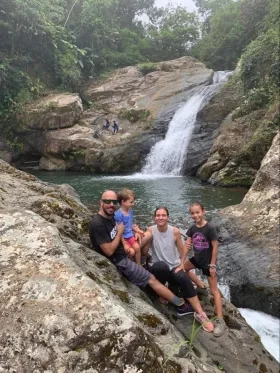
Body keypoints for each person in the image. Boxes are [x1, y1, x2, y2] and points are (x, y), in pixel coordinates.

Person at [88, 190, 190, 311]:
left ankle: (142, 263)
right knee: (151, 279)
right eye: (107, 201)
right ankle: (180, 304)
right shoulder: (98, 224)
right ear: (101, 202)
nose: (111, 204)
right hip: (120, 262)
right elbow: (109, 251)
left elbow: (122, 231)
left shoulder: (111, 216)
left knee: (145, 238)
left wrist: (135, 232)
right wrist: (121, 232)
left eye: (113, 201)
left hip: (124, 252)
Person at [142, 206, 214, 332]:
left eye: (163, 215)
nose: (161, 218)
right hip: (159, 270)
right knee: (161, 266)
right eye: (158, 215)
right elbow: (144, 252)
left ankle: (200, 313)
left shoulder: (174, 231)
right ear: (154, 217)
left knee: (181, 275)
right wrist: (144, 238)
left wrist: (186, 269)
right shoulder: (151, 230)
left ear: (168, 217)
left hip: (173, 268)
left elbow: (182, 251)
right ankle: (162, 293)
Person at [184, 202, 226, 337]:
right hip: (197, 259)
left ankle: (220, 320)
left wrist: (212, 265)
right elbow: (188, 243)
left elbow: (215, 246)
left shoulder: (209, 228)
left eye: (197, 212)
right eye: (192, 213)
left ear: (203, 212)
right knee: (182, 269)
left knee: (214, 291)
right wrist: (186, 247)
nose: (195, 215)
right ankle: (201, 286)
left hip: (208, 263)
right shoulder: (192, 228)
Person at [114, 189, 143, 265]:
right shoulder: (118, 215)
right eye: (131, 202)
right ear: (123, 202)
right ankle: (130, 265)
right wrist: (124, 244)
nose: (133, 204)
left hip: (130, 235)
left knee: (137, 248)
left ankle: (139, 265)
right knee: (131, 252)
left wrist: (137, 230)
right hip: (123, 238)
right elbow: (119, 231)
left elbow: (130, 224)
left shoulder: (130, 211)